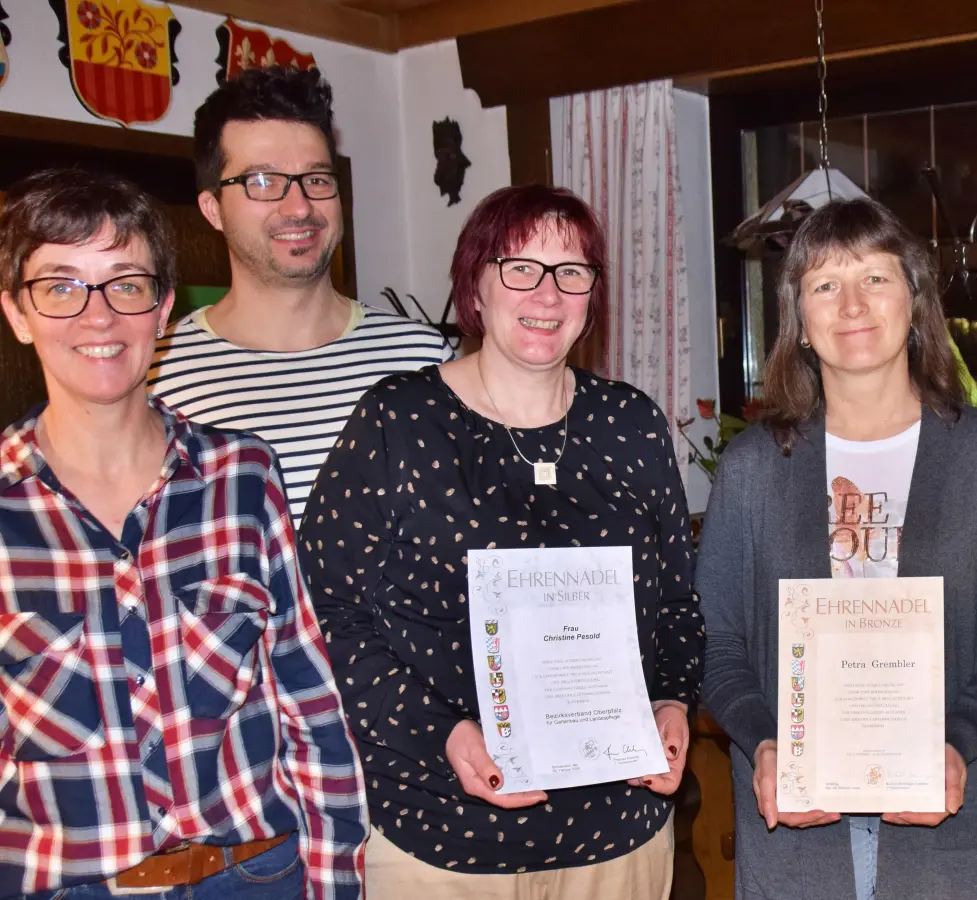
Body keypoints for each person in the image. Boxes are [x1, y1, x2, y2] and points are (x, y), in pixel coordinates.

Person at [297, 184, 700, 898]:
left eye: (571, 272)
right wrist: (441, 734)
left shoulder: (631, 426)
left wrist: (670, 703)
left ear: (591, 294)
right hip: (441, 837)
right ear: (475, 284)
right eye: (520, 267)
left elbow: (674, 604)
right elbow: (328, 617)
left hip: (617, 833)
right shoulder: (400, 422)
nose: (547, 294)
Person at [0, 169, 366, 899]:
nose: (97, 317)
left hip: (254, 873)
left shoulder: (242, 477)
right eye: (61, 286)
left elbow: (308, 702)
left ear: (163, 308)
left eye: (125, 284)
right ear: (16, 312)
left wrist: (335, 885)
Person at [696, 197, 977, 900]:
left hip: (947, 818)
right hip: (795, 830)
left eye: (875, 278)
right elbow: (716, 639)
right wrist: (764, 742)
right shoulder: (755, 466)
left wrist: (958, 741)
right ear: (800, 315)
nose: (852, 303)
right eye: (825, 284)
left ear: (914, 298)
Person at [148, 65, 452, 526]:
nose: (300, 207)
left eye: (316, 179)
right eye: (264, 181)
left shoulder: (424, 358)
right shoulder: (154, 374)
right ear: (213, 209)